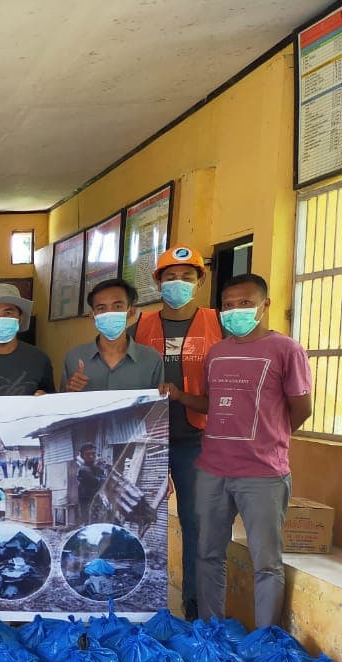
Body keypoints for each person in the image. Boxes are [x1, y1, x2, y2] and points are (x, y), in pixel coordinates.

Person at [193, 273, 312, 629]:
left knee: (267, 563)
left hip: (263, 475)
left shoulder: (286, 349)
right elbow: (210, 403)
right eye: (227, 306)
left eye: (244, 303)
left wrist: (270, 438)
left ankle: (264, 639)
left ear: (265, 305)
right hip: (212, 470)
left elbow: (301, 408)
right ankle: (211, 630)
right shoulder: (216, 352)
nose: (235, 311)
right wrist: (180, 396)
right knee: (208, 555)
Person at [131, 245, 222, 620]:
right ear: (157, 282)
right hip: (145, 438)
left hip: (195, 439)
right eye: (170, 277)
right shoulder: (140, 325)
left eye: (187, 276)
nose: (178, 283)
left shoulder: (218, 323)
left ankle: (195, 608)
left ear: (200, 281)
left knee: (197, 523)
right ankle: (131, 605)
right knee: (134, 516)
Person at [63, 279, 164, 391]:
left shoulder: (151, 359)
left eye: (117, 306)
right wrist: (69, 391)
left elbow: (157, 406)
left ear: (131, 312)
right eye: (101, 308)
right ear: (92, 315)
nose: (109, 313)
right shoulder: (74, 357)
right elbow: (61, 404)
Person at [76, 444, 108, 523]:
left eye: (93, 454)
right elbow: (98, 481)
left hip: (97, 502)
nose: (91, 456)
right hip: (88, 504)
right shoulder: (83, 469)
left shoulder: (95, 468)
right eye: (88, 454)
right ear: (82, 456)